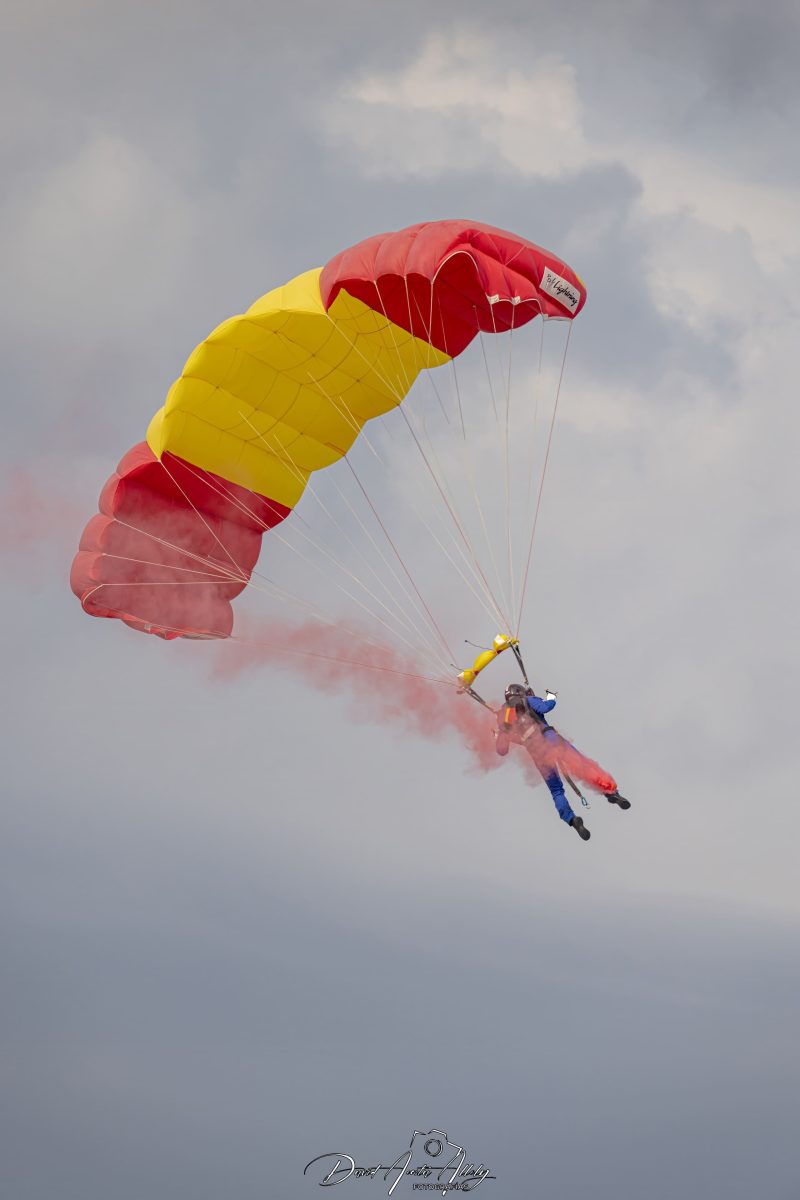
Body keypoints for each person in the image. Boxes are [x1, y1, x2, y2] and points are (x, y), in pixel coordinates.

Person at [495, 683, 630, 841]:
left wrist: (498, 735)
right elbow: (546, 707)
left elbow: (502, 750)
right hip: (551, 740)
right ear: (520, 692)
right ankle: (612, 793)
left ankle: (572, 820)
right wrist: (551, 696)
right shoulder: (528, 700)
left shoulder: (503, 718)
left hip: (537, 753)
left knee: (556, 790)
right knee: (582, 765)